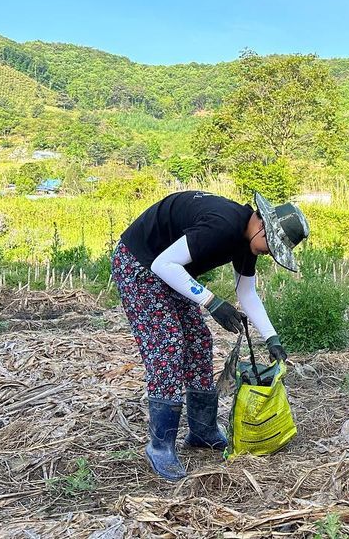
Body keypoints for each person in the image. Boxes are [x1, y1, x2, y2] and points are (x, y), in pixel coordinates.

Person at [111, 190, 309, 481]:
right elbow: (162, 265)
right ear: (262, 226)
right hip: (139, 264)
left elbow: (246, 292)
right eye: (272, 246)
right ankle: (161, 446)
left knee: (200, 341)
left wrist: (271, 338)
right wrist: (212, 302)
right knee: (168, 346)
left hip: (169, 270)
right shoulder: (224, 226)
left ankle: (202, 431)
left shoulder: (246, 240)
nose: (269, 253)